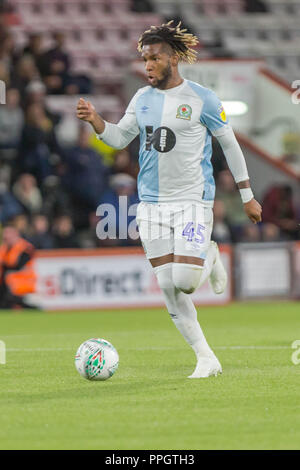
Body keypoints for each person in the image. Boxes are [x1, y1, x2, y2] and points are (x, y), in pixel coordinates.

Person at [77, 21, 262, 378]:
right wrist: (96, 120)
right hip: (151, 205)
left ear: (174, 58)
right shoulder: (142, 99)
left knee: (186, 281)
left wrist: (247, 196)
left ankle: (209, 253)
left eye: (155, 58)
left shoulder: (202, 98)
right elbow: (117, 139)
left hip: (193, 200)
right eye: (145, 59)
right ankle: (206, 357)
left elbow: (230, 145)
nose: (148, 66)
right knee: (167, 286)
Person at [0, 224, 37, 309]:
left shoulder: (25, 248)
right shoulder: (4, 248)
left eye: (9, 233)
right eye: (5, 233)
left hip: (23, 284)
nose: (6, 236)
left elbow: (18, 266)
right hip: (7, 285)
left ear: (16, 234)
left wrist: (3, 265)